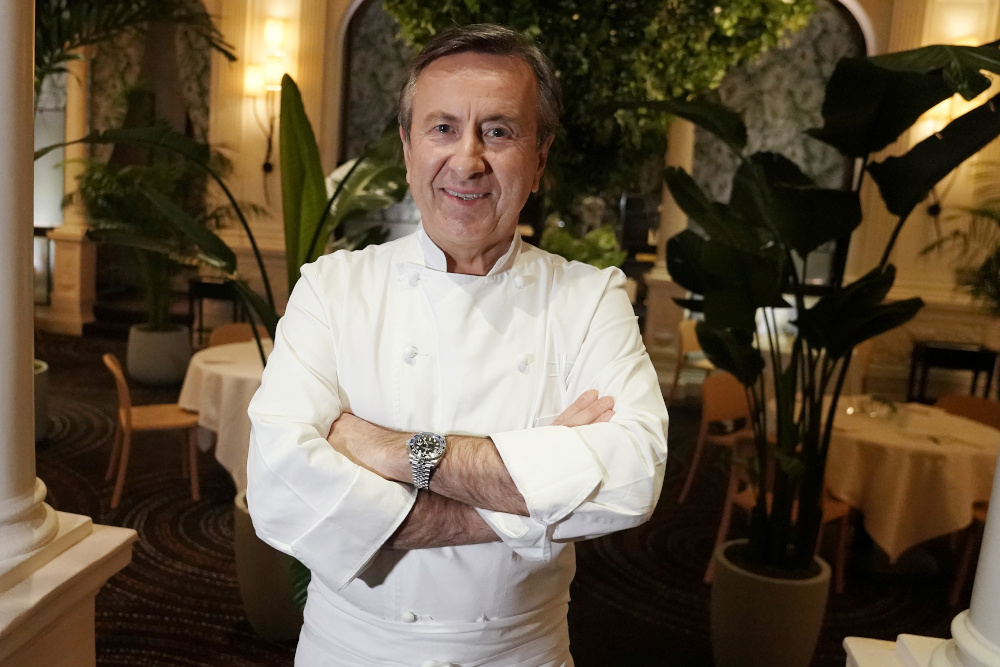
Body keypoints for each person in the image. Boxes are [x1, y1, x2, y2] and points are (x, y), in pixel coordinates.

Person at [246, 23, 669, 667]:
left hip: (518, 653)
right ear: (408, 147)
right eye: (443, 128)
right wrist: (544, 486)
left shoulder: (590, 298)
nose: (467, 159)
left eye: (499, 131)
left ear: (539, 157)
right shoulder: (331, 288)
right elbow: (279, 486)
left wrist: (388, 449)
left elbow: (634, 474)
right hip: (354, 649)